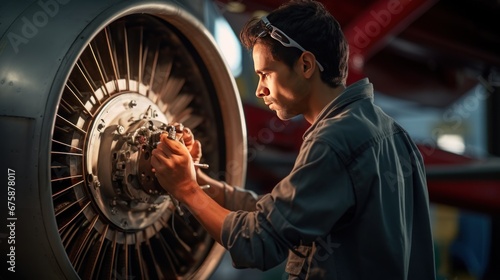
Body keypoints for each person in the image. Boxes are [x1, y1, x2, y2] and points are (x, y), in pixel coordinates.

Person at [151, 0, 436, 279]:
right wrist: (196, 179)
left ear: (306, 65)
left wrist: (187, 190)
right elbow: (282, 215)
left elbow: (259, 242)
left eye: (266, 74)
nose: (260, 90)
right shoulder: (394, 134)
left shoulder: (334, 141)